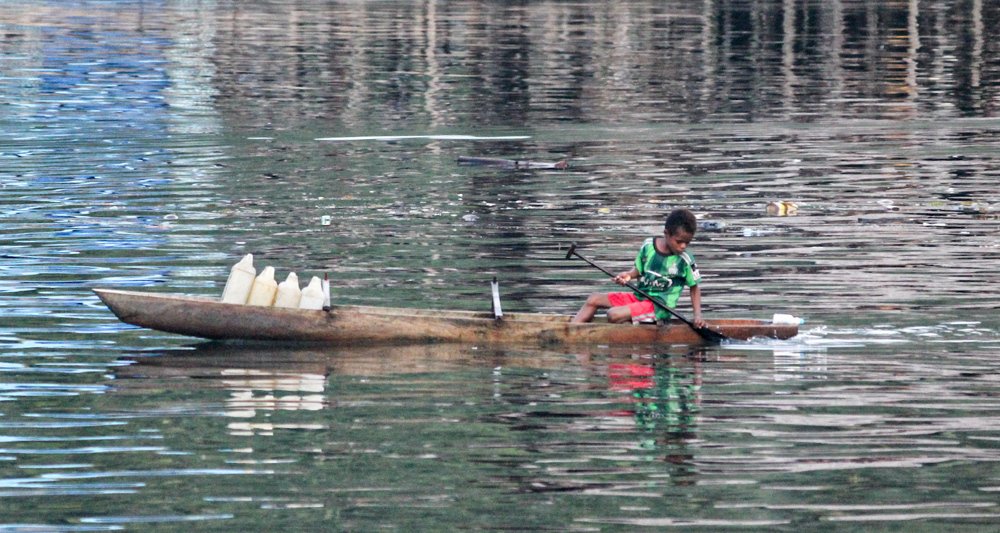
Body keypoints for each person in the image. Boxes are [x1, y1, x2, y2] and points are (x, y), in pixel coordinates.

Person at [572, 209, 705, 327]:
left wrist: (698, 316)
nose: (683, 246)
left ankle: (635, 325)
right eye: (679, 241)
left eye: (687, 242)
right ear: (666, 233)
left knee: (613, 315)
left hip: (659, 307)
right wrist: (628, 276)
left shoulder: (685, 260)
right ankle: (569, 330)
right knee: (593, 299)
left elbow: (694, 287)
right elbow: (638, 271)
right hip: (639, 297)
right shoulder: (648, 246)